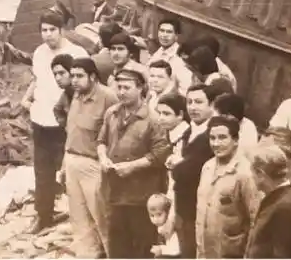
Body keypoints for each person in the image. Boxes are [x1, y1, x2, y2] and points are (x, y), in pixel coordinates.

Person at [20, 12, 86, 234]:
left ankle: (81, 219)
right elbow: (37, 79)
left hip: (66, 123)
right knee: (42, 171)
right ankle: (44, 215)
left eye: (52, 30)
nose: (47, 35)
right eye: (44, 30)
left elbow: (86, 86)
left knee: (70, 173)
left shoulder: (77, 53)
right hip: (41, 120)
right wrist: (27, 98)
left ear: (62, 30)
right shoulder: (39, 53)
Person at [97, 68, 170, 259]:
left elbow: (159, 155)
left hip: (141, 196)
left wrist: (132, 166)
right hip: (115, 192)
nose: (121, 92)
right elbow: (101, 141)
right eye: (119, 87)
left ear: (140, 89)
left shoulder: (153, 119)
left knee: (142, 247)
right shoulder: (112, 113)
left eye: (127, 88)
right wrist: (103, 157)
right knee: (117, 245)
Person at [61, 56, 117, 259]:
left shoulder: (108, 97)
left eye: (79, 76)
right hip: (72, 160)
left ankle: (113, 254)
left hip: (94, 164)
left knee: (102, 216)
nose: (74, 80)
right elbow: (71, 133)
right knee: (79, 217)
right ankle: (88, 255)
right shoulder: (76, 95)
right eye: (72, 76)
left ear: (93, 76)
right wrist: (63, 166)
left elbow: (115, 135)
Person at [195, 115, 260, 259]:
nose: (216, 143)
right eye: (212, 138)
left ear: (235, 140)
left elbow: (255, 219)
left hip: (232, 253)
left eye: (222, 138)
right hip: (205, 252)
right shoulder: (207, 167)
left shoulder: (245, 172)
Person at [172, 84, 216, 259]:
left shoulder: (212, 135)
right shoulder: (188, 131)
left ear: (211, 104)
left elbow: (186, 171)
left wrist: (177, 163)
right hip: (183, 207)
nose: (192, 107)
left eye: (198, 102)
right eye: (189, 102)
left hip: (200, 209)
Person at [245, 142, 291, 258]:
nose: (250, 176)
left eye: (251, 171)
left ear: (260, 174)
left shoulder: (284, 209)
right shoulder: (278, 199)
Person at [147, 193, 179, 258]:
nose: (155, 219)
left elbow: (176, 250)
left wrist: (161, 250)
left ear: (167, 212)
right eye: (152, 215)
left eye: (159, 214)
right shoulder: (160, 227)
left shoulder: (170, 229)